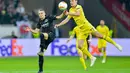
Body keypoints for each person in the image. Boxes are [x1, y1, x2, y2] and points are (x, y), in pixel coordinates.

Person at [55, 0, 122, 66]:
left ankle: (116, 45)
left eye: (72, 1)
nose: (71, 2)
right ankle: (92, 57)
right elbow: (66, 20)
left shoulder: (79, 7)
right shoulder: (70, 10)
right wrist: (59, 24)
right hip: (81, 29)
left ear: (76, 1)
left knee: (100, 36)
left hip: (86, 26)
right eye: (70, 1)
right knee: (80, 46)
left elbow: (78, 14)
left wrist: (68, 13)